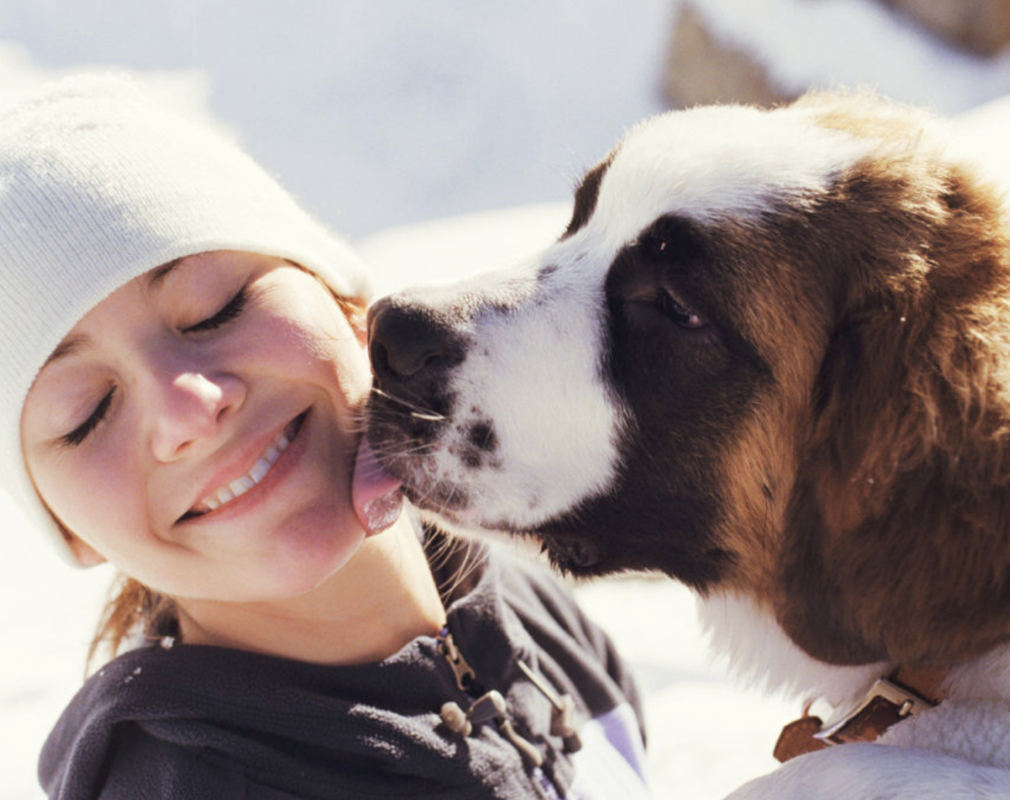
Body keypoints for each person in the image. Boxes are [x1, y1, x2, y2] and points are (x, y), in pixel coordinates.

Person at [1, 75, 651, 800]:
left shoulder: (519, 607)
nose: (192, 409)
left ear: (345, 302)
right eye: (86, 412)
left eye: (216, 308)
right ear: (66, 527)